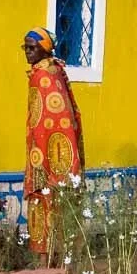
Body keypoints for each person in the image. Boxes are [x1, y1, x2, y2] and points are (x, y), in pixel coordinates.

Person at [22, 27, 85, 260]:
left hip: (48, 158)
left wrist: (45, 162)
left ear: (45, 48)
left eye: (32, 47)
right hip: (47, 155)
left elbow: (58, 120)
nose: (27, 52)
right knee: (53, 211)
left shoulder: (44, 75)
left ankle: (46, 268)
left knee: (48, 207)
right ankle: (51, 265)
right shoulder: (50, 71)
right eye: (25, 47)